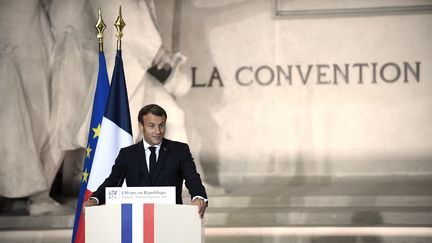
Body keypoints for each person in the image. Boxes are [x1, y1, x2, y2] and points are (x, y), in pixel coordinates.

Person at [83, 104, 208, 218]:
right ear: (141, 126)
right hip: (136, 220)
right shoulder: (127, 154)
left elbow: (192, 177)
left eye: (161, 125)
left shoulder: (179, 150)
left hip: (171, 218)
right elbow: (112, 182)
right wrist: (95, 199)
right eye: (152, 126)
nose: (158, 131)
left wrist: (198, 197)